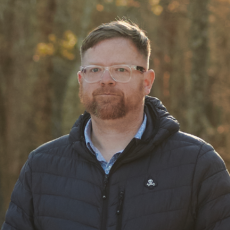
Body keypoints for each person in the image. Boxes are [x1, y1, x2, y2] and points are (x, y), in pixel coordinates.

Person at [2, 20, 230, 230]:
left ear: (147, 81)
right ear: (82, 81)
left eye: (121, 69)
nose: (105, 79)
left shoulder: (199, 165)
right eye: (94, 69)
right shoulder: (41, 166)